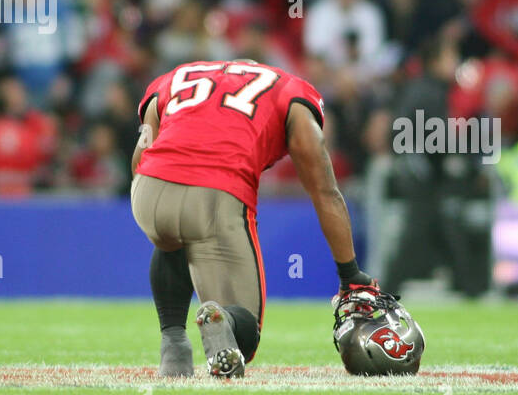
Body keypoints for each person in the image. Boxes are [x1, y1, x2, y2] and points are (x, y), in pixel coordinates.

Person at [130, 58, 377, 378]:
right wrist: (350, 273)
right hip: (216, 198)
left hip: (147, 191)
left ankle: (174, 344)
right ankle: (224, 323)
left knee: (173, 237)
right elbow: (324, 191)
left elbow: (141, 153)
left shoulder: (174, 77)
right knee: (243, 337)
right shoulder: (291, 92)